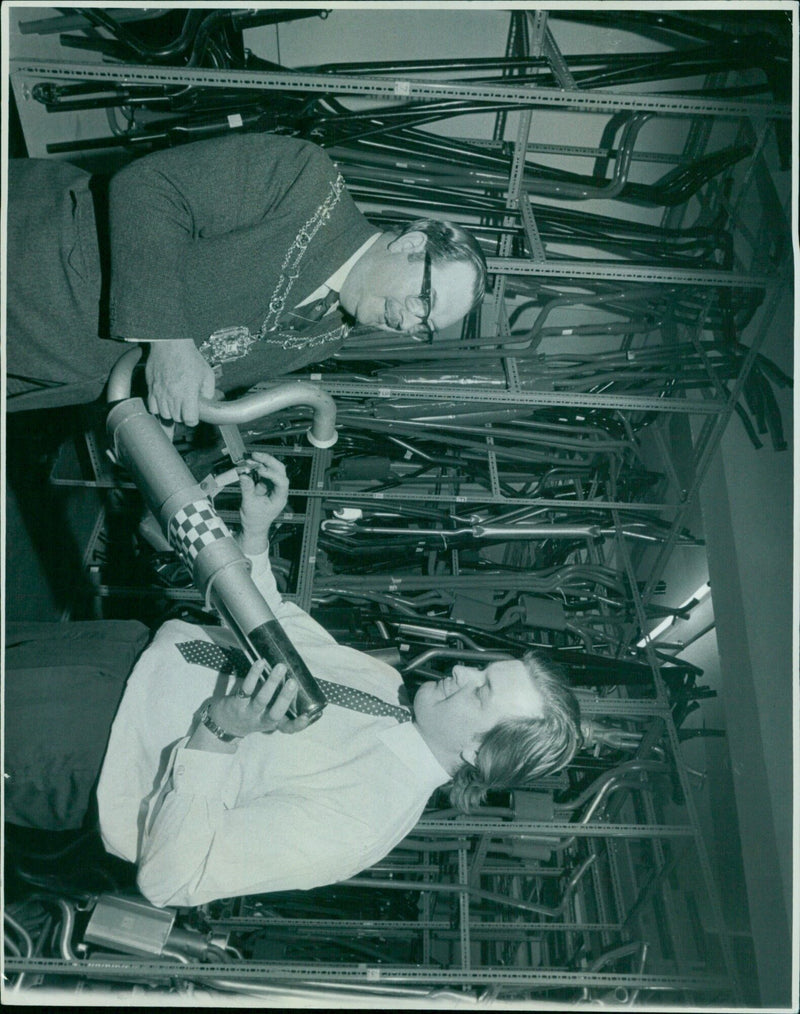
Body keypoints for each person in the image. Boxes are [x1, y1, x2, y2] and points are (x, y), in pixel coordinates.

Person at [4, 453, 581, 909]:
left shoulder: (364, 820)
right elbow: (276, 626)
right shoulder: (389, 690)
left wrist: (220, 733)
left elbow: (174, 880)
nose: (461, 669)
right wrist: (257, 534)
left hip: (85, 744)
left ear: (479, 751)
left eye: (480, 690)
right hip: (120, 650)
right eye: (483, 668)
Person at [5, 132, 487, 422]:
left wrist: (168, 414)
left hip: (44, 374)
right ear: (413, 243)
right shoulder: (307, 180)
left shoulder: (327, 338)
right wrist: (171, 345)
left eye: (425, 328)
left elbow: (197, 370)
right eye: (424, 300)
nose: (410, 323)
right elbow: (146, 188)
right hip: (33, 266)